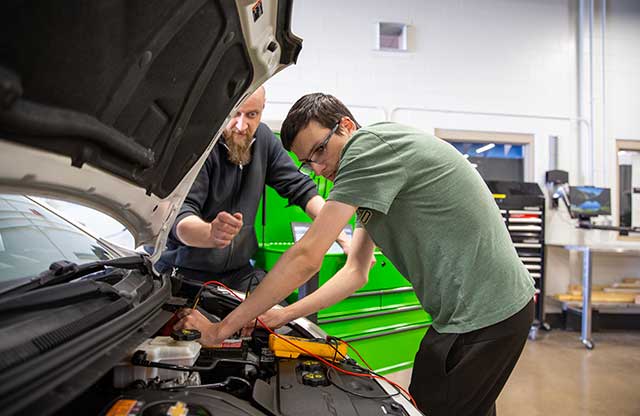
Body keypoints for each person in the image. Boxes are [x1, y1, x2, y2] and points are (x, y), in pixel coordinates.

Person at [174, 93, 535, 416]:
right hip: (472, 315)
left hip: (487, 315)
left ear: (346, 126)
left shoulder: (368, 148)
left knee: (425, 405)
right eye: (306, 162)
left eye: (319, 150)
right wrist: (284, 313)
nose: (318, 169)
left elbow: (307, 256)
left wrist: (222, 329)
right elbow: (356, 272)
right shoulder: (374, 178)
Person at [159, 87, 349, 292]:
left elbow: (301, 189)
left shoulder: (264, 139)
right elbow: (178, 216)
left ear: (262, 110)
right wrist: (209, 234)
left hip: (238, 272)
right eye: (235, 114)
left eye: (252, 115)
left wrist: (342, 237)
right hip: (184, 272)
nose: (242, 126)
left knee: (273, 318)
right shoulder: (198, 144)